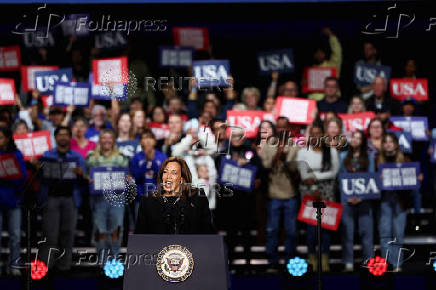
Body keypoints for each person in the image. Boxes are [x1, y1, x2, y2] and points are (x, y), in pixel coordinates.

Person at [38, 126, 87, 271]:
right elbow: (40, 178)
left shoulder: (77, 157)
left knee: (68, 234)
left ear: (70, 137)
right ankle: (46, 266)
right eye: (60, 135)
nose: (63, 137)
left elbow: (85, 179)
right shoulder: (46, 156)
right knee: (49, 235)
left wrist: (80, 173)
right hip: (51, 199)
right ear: (55, 137)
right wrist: (37, 166)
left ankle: (64, 267)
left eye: (66, 135)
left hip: (70, 199)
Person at [296, 121, 339, 272]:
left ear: (323, 134)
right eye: (312, 133)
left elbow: (334, 172)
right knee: (311, 228)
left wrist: (315, 176)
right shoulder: (303, 151)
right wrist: (313, 186)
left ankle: (325, 258)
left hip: (327, 191)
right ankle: (312, 258)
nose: (315, 136)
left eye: (318, 133)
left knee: (326, 227)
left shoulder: (331, 151)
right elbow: (303, 174)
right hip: (308, 191)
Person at [134, 157, 215, 234]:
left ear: (182, 178)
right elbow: (139, 237)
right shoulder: (148, 200)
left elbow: (207, 233)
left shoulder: (197, 198)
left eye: (174, 173)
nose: (168, 177)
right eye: (165, 172)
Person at [258, 122, 300, 271]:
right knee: (272, 230)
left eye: (285, 127)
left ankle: (290, 261)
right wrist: (277, 154)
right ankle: (272, 261)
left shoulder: (294, 146)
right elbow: (266, 166)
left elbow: (296, 169)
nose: (282, 130)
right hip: (273, 193)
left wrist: (286, 157)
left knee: (291, 231)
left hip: (290, 194)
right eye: (280, 127)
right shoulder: (268, 145)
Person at [86, 129, 129, 265]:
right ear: (100, 140)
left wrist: (127, 179)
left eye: (109, 138)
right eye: (104, 138)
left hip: (117, 198)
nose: (107, 140)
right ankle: (102, 260)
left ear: (113, 140)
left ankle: (115, 259)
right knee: (101, 230)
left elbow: (126, 175)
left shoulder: (121, 157)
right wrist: (89, 179)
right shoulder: (92, 157)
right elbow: (88, 174)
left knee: (116, 229)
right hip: (99, 199)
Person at [377, 133, 418, 271]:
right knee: (385, 234)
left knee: (398, 234)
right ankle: (387, 265)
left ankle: (397, 265)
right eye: (385, 141)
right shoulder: (378, 161)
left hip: (401, 202)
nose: (388, 144)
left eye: (391, 141)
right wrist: (378, 179)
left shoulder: (406, 160)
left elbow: (413, 181)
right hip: (384, 201)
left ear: (396, 144)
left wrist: (417, 178)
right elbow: (370, 182)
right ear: (382, 145)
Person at [339, 130, 375, 272]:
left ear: (363, 141)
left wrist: (360, 197)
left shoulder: (370, 157)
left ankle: (368, 261)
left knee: (366, 233)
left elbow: (372, 178)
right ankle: (348, 262)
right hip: (346, 199)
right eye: (354, 137)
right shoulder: (343, 156)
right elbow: (340, 177)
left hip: (364, 200)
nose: (355, 140)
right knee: (347, 232)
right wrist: (348, 196)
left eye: (359, 138)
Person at [0, 127, 27, 276]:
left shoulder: (16, 155)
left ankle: (14, 264)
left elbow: (23, 177)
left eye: (1, 138)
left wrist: (10, 176)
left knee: (15, 236)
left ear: (8, 139)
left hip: (14, 200)